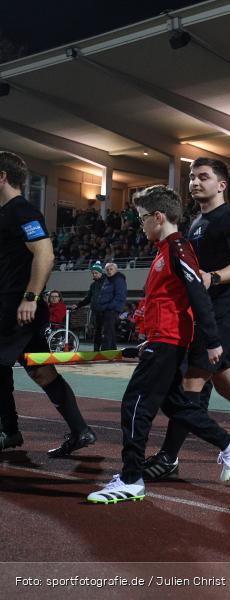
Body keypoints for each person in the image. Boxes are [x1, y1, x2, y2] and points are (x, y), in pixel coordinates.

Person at [87, 186, 230, 504]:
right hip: (162, 340)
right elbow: (168, 302)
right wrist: (149, 336)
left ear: (158, 217)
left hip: (169, 342)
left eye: (143, 218)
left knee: (135, 406)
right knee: (176, 405)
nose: (140, 224)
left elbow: (198, 294)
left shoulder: (177, 249)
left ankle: (132, 479)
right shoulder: (166, 250)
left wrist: (213, 341)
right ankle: (228, 443)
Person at [143, 164, 230, 482]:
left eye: (203, 177)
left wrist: (214, 277)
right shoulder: (196, 222)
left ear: (222, 184)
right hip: (205, 312)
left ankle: (169, 457)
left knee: (191, 384)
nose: (194, 182)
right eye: (192, 177)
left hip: (224, 311)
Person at [0, 151, 96, 457]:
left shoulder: (22, 211)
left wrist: (30, 297)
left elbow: (45, 254)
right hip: (16, 308)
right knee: (41, 372)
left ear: (2, 176)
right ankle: (81, 430)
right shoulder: (7, 214)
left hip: (18, 308)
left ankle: (9, 430)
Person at [75, 261, 106, 350]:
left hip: (105, 311)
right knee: (97, 331)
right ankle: (96, 350)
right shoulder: (93, 285)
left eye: (96, 273)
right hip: (96, 311)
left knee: (105, 332)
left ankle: (106, 350)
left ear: (101, 272)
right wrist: (78, 305)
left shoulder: (107, 282)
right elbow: (88, 299)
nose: (94, 275)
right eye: (93, 273)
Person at [96, 262, 127, 350]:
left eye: (111, 269)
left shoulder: (119, 279)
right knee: (110, 331)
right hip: (106, 309)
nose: (109, 271)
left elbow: (120, 296)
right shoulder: (108, 279)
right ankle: (112, 351)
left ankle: (105, 351)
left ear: (116, 270)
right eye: (107, 270)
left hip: (112, 309)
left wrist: (107, 307)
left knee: (107, 331)